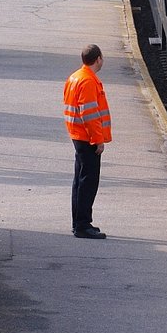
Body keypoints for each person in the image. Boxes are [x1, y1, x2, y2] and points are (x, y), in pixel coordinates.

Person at [63, 44, 112, 238]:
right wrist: (98, 140)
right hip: (87, 138)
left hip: (78, 135)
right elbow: (90, 114)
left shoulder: (75, 77)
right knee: (88, 182)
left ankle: (79, 222)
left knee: (80, 181)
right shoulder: (88, 81)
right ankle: (83, 225)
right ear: (98, 59)